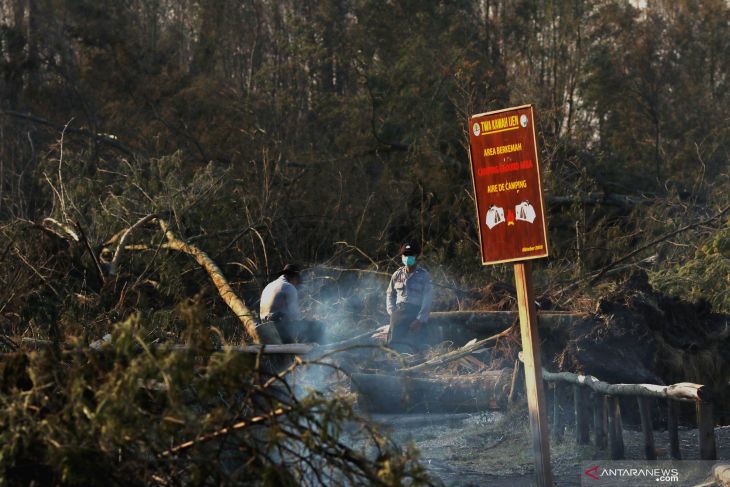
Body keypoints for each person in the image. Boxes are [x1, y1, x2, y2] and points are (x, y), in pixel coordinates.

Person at [386, 242, 433, 353]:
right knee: (393, 347)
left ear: (417, 256)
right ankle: (394, 364)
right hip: (399, 312)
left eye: (411, 255)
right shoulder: (397, 275)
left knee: (416, 347)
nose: (407, 258)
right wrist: (392, 311)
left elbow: (428, 299)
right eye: (405, 255)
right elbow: (389, 294)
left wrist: (419, 320)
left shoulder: (424, 275)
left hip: (415, 313)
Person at [260, 264, 323, 343]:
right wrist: (307, 318)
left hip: (264, 328)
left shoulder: (268, 286)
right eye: (297, 281)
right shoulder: (289, 287)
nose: (297, 284)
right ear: (294, 277)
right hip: (279, 329)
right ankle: (316, 353)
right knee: (318, 326)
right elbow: (295, 316)